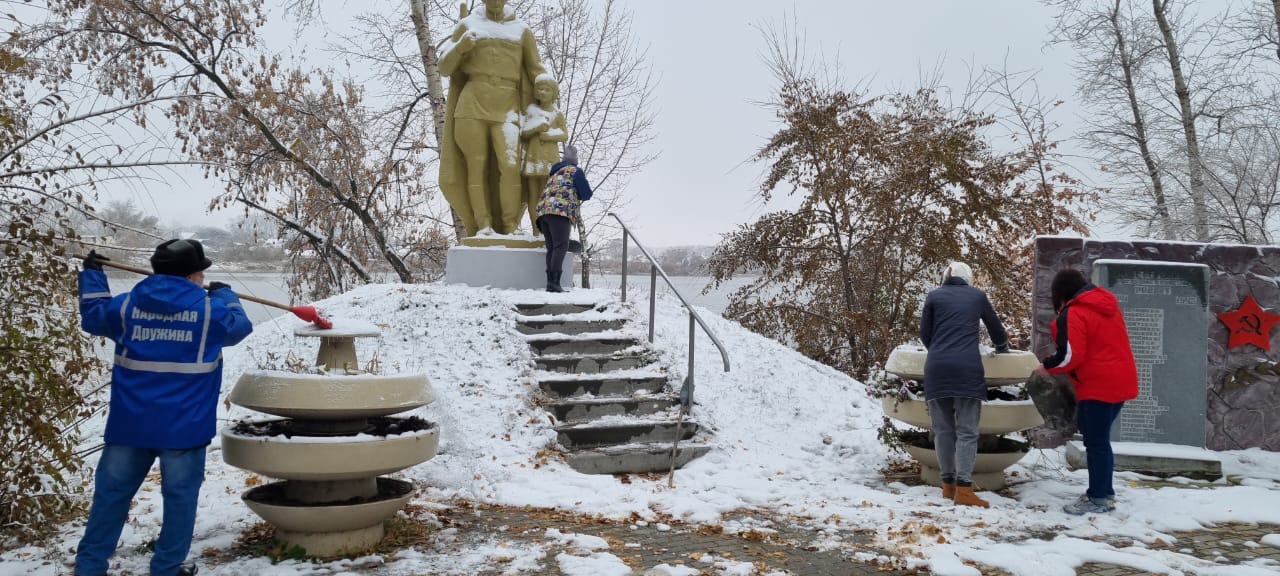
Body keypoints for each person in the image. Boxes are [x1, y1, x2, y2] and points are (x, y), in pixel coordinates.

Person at [74, 239, 253, 576]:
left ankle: (89, 567)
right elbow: (239, 325)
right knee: (180, 502)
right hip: (184, 431)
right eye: (201, 271)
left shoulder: (126, 308)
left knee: (110, 498)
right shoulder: (210, 312)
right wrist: (226, 294)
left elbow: (94, 315)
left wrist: (93, 276)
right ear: (194, 275)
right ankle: (167, 569)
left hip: (130, 427)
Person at [438, 0, 548, 236]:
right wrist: (460, 47)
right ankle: (483, 225)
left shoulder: (521, 30)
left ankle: (510, 225)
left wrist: (550, 100)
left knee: (510, 166)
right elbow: (444, 67)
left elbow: (536, 70)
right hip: (472, 102)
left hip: (507, 104)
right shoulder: (468, 24)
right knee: (475, 167)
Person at [1037, 268, 1138, 515]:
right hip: (1120, 381)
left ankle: (1098, 498)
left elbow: (1070, 356)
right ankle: (1105, 492)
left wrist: (1046, 366)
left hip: (1097, 386)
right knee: (1100, 442)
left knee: (1096, 443)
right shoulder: (1105, 307)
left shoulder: (1075, 313)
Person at [919, 262, 1011, 508]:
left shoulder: (934, 296)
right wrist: (1002, 348)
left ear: (944, 277)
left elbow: (924, 334)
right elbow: (996, 329)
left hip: (937, 368)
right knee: (967, 432)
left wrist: (938, 351)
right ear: (969, 278)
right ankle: (964, 489)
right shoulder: (977, 296)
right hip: (967, 369)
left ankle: (947, 486)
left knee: (943, 430)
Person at [535, 144, 592, 292]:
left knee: (552, 247)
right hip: (559, 212)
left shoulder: (554, 173)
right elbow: (587, 194)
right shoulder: (575, 171)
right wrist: (578, 194)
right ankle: (554, 284)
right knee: (561, 246)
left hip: (543, 213)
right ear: (575, 160)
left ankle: (550, 283)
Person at [521, 73, 568, 235]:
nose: (542, 92)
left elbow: (564, 134)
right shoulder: (531, 111)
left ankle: (546, 231)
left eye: (547, 90)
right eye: (539, 89)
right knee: (533, 195)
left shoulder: (557, 114)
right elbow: (523, 133)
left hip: (550, 158)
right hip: (533, 158)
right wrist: (535, 128)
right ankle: (536, 230)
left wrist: (549, 136)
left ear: (553, 93)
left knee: (547, 195)